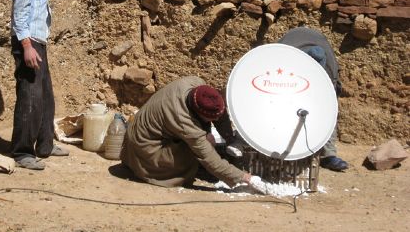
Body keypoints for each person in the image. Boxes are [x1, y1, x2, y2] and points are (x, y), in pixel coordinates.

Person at [9, 0, 69, 170]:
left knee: (45, 96)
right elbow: (19, 10)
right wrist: (26, 45)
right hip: (28, 41)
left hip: (37, 41)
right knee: (30, 98)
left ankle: (44, 145)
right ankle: (22, 152)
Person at [121, 76, 254, 188]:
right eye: (212, 119)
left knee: (205, 138)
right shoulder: (184, 120)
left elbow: (220, 114)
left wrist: (230, 138)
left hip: (136, 135)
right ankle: (167, 171)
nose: (217, 120)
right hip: (145, 151)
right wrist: (245, 177)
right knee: (204, 144)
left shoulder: (196, 84)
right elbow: (209, 158)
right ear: (198, 113)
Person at [278, 27, 348, 172]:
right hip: (289, 80)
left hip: (322, 80)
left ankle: (329, 155)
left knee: (328, 111)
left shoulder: (328, 69)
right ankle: (284, 148)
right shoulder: (287, 58)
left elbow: (328, 105)